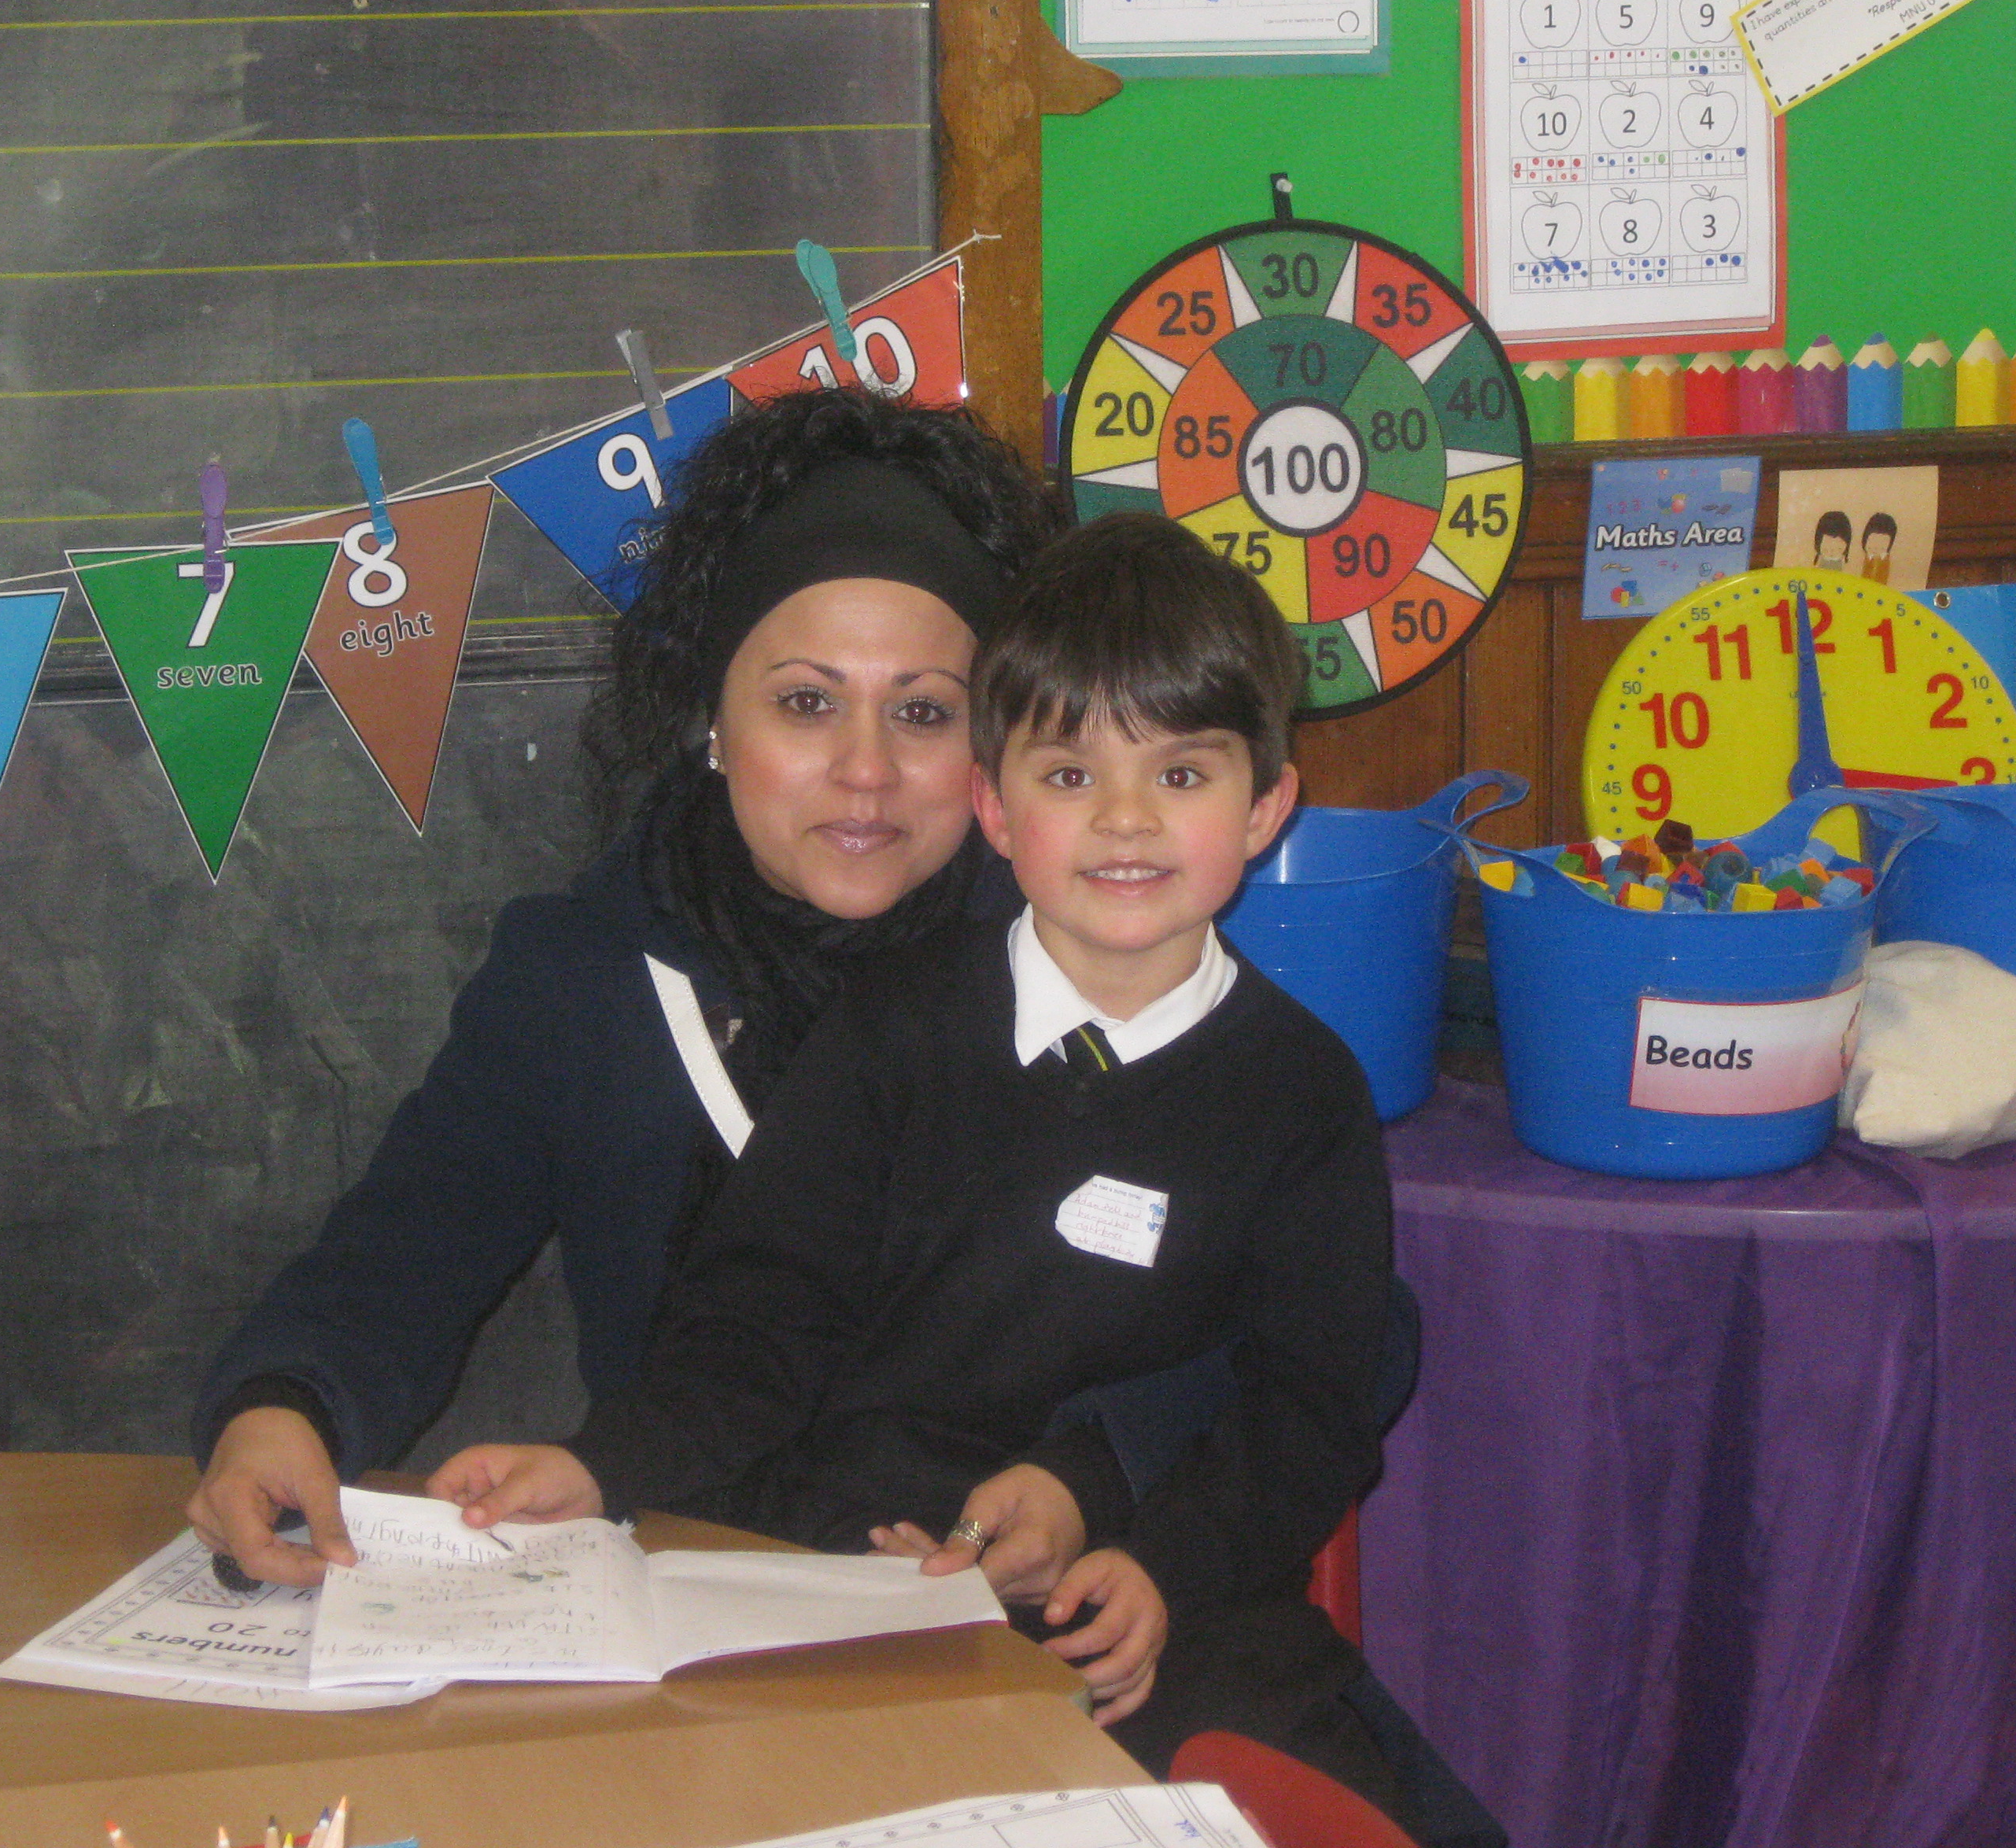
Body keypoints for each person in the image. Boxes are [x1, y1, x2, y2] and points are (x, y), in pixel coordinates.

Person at [427, 512, 1419, 1826]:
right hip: (854, 1569)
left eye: (1183, 776)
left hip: (1132, 1593)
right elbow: (760, 1311)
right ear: (997, 809)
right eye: (1070, 778)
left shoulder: (1301, 1093)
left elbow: (1311, 1400)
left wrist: (1156, 1567)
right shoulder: (894, 1024)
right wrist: (603, 1465)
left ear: (1269, 805)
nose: (1126, 821)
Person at [185, 385, 1107, 1593]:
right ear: (710, 719)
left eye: (925, 712)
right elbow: (409, 1249)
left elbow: (1232, 1309)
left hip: (1016, 1615)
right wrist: (281, 1404)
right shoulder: (585, 977)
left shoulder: (1091, 958)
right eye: (806, 703)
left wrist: (1090, 1480)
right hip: (681, 1601)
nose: (867, 771)